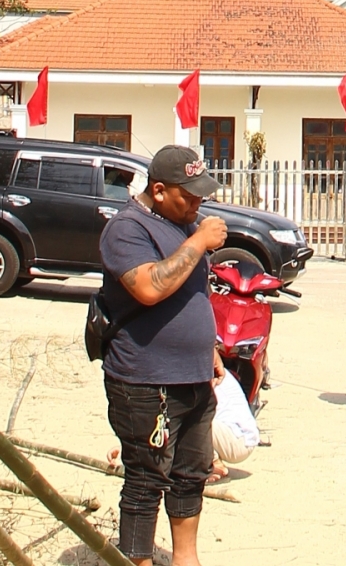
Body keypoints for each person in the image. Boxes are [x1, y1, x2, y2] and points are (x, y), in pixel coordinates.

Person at [99, 145, 228, 566]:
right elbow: (150, 287)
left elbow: (194, 293)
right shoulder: (127, 229)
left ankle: (185, 559)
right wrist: (199, 241)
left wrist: (209, 348)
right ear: (158, 190)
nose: (197, 204)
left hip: (192, 375)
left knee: (191, 475)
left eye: (200, 196)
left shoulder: (182, 225)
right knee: (146, 478)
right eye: (187, 197)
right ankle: (137, 560)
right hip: (144, 380)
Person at [208, 371, 260, 480]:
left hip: (239, 439)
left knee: (193, 421)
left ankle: (213, 464)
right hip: (238, 436)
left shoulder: (208, 375)